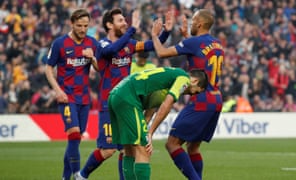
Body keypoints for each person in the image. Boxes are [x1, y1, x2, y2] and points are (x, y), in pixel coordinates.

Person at [77, 8, 173, 180]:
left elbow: (152, 46)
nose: (125, 23)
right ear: (109, 24)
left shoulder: (129, 44)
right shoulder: (103, 45)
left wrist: (166, 32)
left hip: (127, 104)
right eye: (121, 20)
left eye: (125, 20)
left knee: (127, 148)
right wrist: (132, 30)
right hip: (109, 104)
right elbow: (111, 51)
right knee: (108, 149)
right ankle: (82, 175)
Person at [150, 9, 224, 180]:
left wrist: (155, 35)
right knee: (193, 147)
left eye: (193, 20)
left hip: (201, 99)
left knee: (172, 144)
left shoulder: (194, 43)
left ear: (200, 24)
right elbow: (200, 54)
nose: (190, 23)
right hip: (216, 98)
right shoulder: (217, 44)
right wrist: (187, 38)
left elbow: (161, 53)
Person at [108, 67, 208, 180]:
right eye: (195, 91)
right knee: (144, 149)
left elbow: (150, 110)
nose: (191, 94)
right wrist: (149, 133)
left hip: (116, 94)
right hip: (128, 97)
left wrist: (144, 130)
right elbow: (167, 104)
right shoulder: (184, 78)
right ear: (195, 81)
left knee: (129, 149)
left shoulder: (166, 79)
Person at [45, 9, 99, 180]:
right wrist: (57, 90)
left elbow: (100, 69)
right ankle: (78, 174)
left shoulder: (92, 43)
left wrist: (93, 59)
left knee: (75, 140)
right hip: (67, 97)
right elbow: (48, 68)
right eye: (79, 26)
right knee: (74, 134)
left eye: (85, 26)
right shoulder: (60, 43)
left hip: (84, 98)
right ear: (71, 23)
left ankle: (65, 177)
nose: (83, 29)